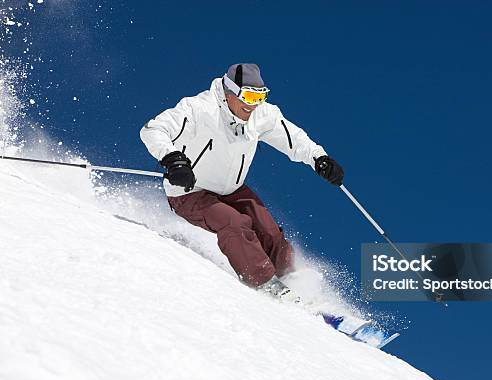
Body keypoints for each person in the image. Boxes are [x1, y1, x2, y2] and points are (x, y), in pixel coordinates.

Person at [140, 63, 344, 301]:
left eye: (260, 96)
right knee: (234, 223)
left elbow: (294, 139)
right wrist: (173, 160)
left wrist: (319, 158)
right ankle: (265, 283)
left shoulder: (262, 115)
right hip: (189, 190)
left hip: (231, 189)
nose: (253, 104)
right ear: (230, 92)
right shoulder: (200, 109)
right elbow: (153, 130)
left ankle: (293, 280)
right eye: (248, 96)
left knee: (269, 231)